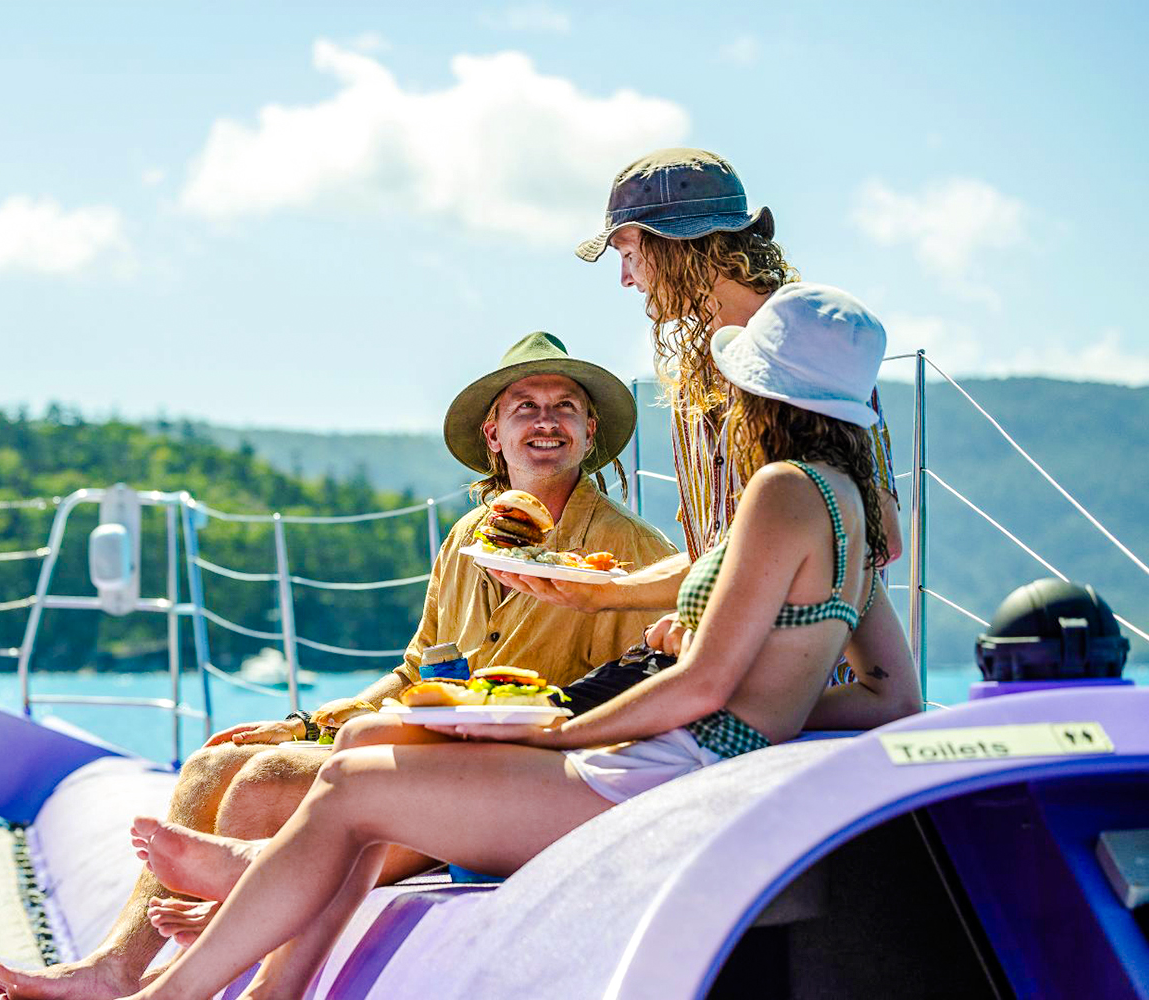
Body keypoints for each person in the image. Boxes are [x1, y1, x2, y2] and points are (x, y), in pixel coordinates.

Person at [100, 283, 921, 1000]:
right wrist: (769, 710)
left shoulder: (780, 490)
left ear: (762, 395)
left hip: (673, 765)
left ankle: (229, 912)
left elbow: (704, 685)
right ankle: (261, 959)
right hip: (700, 755)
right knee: (365, 743)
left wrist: (562, 728)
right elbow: (893, 697)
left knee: (353, 782)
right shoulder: (853, 512)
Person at [0, 333, 677, 1000]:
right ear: (493, 436)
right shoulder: (470, 539)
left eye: (565, 408)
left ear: (590, 434)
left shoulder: (629, 555)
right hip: (424, 751)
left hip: (505, 781)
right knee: (210, 766)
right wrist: (303, 722)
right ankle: (116, 969)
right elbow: (416, 673)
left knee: (263, 782)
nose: (546, 422)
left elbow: (635, 699)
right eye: (526, 407)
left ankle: (236, 961)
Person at [497, 148, 913, 728]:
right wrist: (600, 593)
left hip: (791, 687)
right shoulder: (698, 368)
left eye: (629, 255)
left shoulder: (807, 353)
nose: (625, 280)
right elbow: (722, 555)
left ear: (677, 248)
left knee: (504, 737)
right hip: (708, 664)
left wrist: (710, 622)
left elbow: (875, 539)